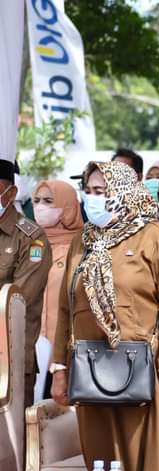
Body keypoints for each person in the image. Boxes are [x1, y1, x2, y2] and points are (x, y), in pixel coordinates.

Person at [50, 161, 159, 471]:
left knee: (143, 456)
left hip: (139, 366)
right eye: (88, 191)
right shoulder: (83, 240)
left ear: (123, 191)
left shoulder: (152, 236)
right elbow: (65, 308)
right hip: (89, 366)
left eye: (101, 191)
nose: (93, 198)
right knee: (101, 458)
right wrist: (59, 369)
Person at [0, 160, 52, 407]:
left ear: (11, 193)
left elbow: (17, 301)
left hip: (10, 362)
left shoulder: (31, 238)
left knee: (9, 432)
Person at [33, 180, 84, 397]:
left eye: (48, 201)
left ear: (68, 206)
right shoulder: (31, 244)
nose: (40, 207)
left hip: (66, 356)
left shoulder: (82, 247)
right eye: (36, 201)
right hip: (31, 354)